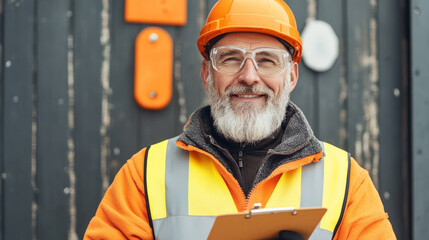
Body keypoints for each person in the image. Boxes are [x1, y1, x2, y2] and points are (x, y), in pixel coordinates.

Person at [84, 0, 396, 239]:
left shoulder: (346, 182)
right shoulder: (145, 176)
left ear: (291, 75)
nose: (249, 76)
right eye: (231, 58)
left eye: (267, 60)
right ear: (207, 72)